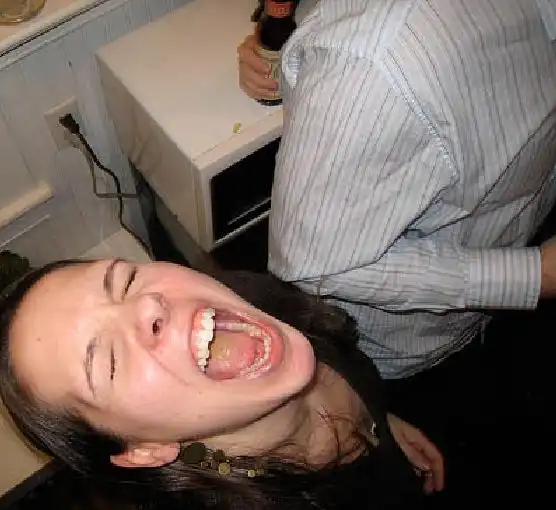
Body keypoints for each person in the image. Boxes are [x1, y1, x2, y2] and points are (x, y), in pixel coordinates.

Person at [0, 258, 445, 510]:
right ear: (145, 450)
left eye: (126, 281)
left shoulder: (251, 295)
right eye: (108, 361)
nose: (147, 306)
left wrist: (378, 422)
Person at [238, 0, 556, 380]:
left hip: (518, 238)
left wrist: (299, 36)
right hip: (425, 341)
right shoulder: (370, 67)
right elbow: (313, 263)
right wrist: (532, 276)